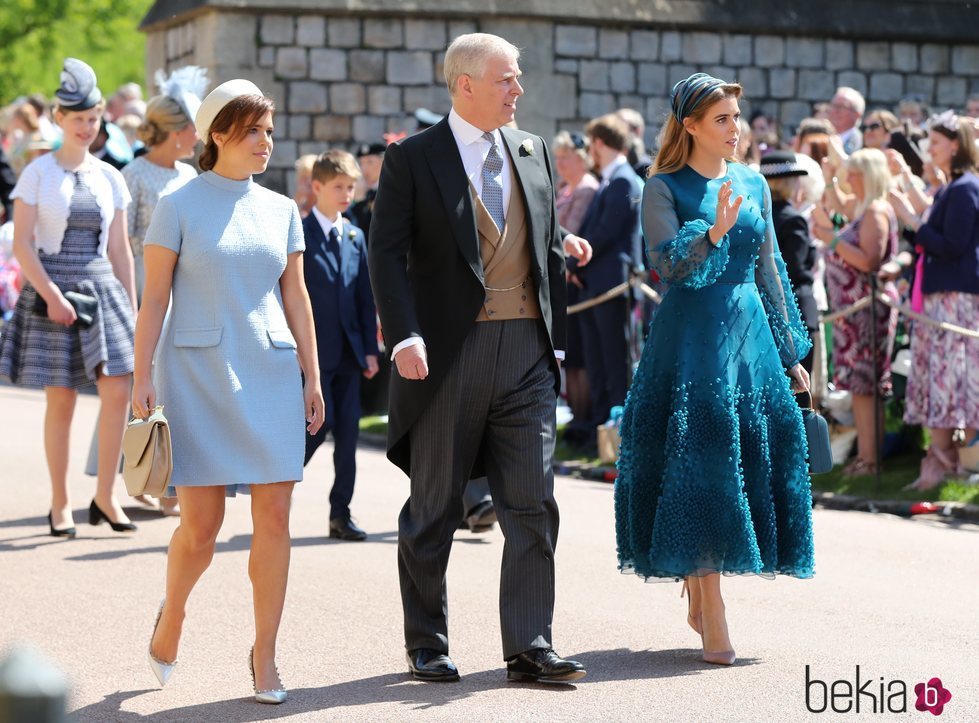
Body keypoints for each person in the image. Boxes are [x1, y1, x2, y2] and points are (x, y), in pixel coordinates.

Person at [368, 32, 585, 684]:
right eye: (506, 79)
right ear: (465, 84)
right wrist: (402, 336)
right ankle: (427, 642)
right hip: (443, 354)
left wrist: (556, 335)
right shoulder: (413, 158)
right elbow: (385, 252)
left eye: (516, 79)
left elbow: (541, 241)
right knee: (434, 506)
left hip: (525, 351)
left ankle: (529, 644)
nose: (518, 90)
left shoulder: (532, 149)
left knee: (531, 501)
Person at [133, 79, 324, 703]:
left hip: (269, 369)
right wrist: (141, 376)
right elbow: (154, 298)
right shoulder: (178, 204)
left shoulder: (280, 210)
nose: (267, 142)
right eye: (254, 131)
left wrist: (313, 375)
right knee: (203, 528)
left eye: (270, 130)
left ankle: (265, 654)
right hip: (195, 375)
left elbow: (296, 296)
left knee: (275, 515)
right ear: (219, 134)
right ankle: (174, 612)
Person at [614, 73, 814, 667]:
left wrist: (789, 351)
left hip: (749, 340)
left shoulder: (752, 179)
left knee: (742, 462)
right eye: (722, 119)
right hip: (689, 342)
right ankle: (712, 605)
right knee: (698, 465)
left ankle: (701, 585)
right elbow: (669, 269)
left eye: (736, 117)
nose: (735, 128)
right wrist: (716, 231)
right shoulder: (662, 187)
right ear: (691, 126)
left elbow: (771, 269)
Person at [0, 58, 138, 537]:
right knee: (60, 398)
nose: (87, 127)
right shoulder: (37, 173)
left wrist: (134, 311)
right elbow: (22, 244)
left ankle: (105, 495)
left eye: (94, 118)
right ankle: (60, 501)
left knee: (118, 388)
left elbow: (120, 250)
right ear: (58, 119)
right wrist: (51, 295)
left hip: (101, 287)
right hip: (50, 286)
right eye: (78, 118)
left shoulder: (110, 176)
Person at [302, 149, 379, 541]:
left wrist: (369, 348)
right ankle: (276, 487)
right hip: (313, 355)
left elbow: (365, 296)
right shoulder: (299, 233)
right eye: (338, 187)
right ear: (317, 187)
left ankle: (340, 513)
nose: (347, 194)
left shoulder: (355, 235)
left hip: (349, 354)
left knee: (347, 436)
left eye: (351, 187)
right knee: (315, 428)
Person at [902, 112, 979, 489]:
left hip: (956, 296)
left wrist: (914, 223)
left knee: (952, 376)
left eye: (934, 142)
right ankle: (942, 457)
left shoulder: (965, 187)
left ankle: (949, 459)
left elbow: (953, 246)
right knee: (940, 376)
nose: (929, 150)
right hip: (940, 296)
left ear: (954, 144)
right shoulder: (952, 186)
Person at [813, 148, 899, 477]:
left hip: (867, 310)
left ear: (868, 176)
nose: (849, 179)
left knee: (866, 386)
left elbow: (868, 261)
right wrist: (830, 177)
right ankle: (866, 457)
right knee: (862, 387)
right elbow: (840, 202)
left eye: (853, 173)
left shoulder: (876, 211)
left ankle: (869, 459)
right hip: (854, 312)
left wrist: (832, 241)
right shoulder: (866, 208)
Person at [574, 113, 643, 445]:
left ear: (600, 143)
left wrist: (577, 261)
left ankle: (616, 430)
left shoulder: (624, 181)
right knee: (597, 360)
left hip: (613, 285)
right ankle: (600, 426)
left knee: (615, 360)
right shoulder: (610, 180)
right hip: (595, 284)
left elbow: (605, 233)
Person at [124, 67, 206, 301]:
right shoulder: (133, 174)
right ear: (177, 132)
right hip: (145, 282)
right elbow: (121, 242)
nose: (198, 136)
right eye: (194, 128)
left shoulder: (189, 174)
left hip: (186, 281)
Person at [552, 130, 598, 444]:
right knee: (569, 356)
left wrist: (567, 266)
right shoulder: (564, 189)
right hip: (563, 279)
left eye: (565, 158)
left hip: (577, 278)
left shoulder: (586, 189)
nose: (559, 164)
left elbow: (575, 228)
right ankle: (575, 419)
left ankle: (583, 421)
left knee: (580, 354)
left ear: (580, 158)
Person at [759, 151, 820, 375]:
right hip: (795, 307)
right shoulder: (793, 219)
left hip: (762, 305)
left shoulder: (755, 215)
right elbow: (796, 268)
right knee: (800, 389)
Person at [348, 142, 384, 245]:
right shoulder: (360, 191)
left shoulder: (392, 192)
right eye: (361, 163)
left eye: (370, 162)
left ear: (383, 163)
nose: (364, 168)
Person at [827, 87, 865, 154]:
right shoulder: (822, 137)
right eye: (834, 105)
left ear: (856, 114)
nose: (835, 111)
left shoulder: (863, 143)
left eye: (841, 107)